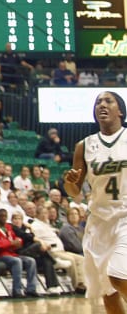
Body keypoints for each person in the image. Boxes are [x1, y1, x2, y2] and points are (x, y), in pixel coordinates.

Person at [64, 91, 127, 314]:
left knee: (119, 277)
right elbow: (74, 191)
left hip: (125, 219)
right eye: (98, 102)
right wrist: (69, 182)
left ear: (120, 110)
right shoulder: (84, 145)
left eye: (108, 101)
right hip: (99, 223)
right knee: (108, 294)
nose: (102, 104)